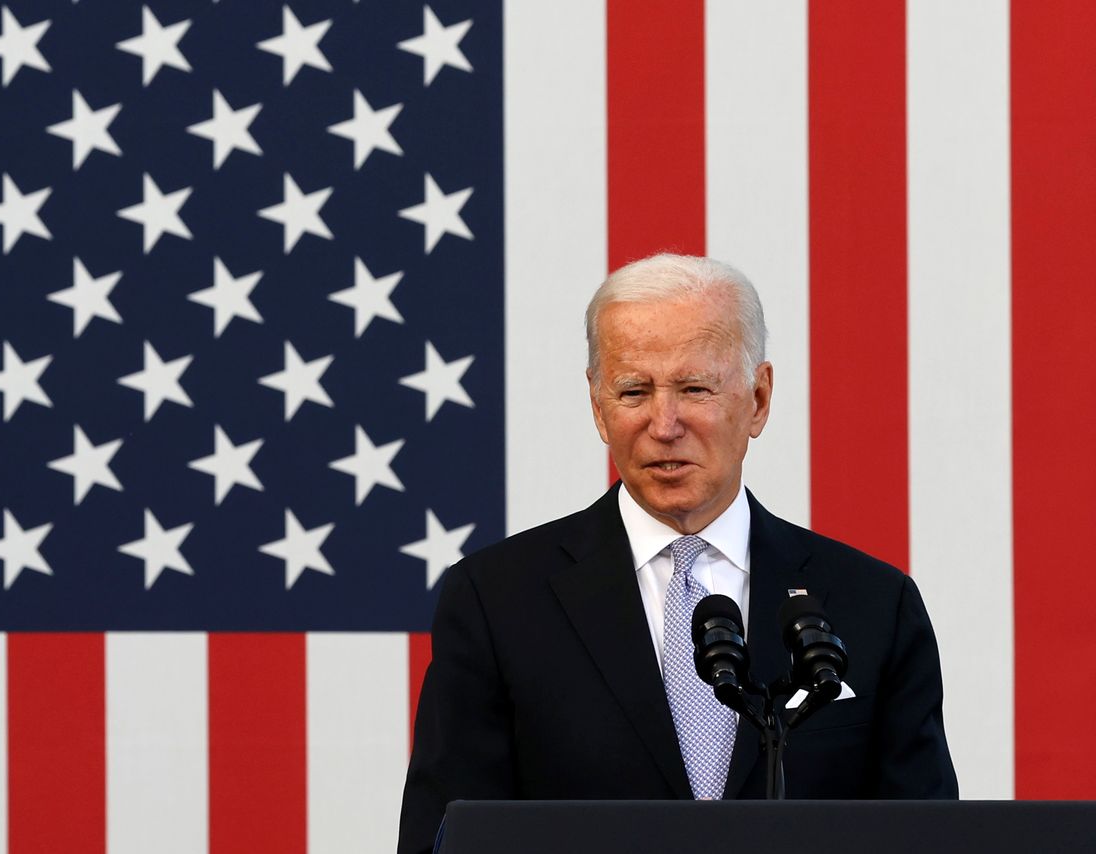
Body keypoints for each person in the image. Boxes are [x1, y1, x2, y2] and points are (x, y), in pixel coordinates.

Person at [397, 253, 958, 854]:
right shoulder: (496, 601)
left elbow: (925, 839)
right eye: (634, 391)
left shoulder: (874, 604)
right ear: (598, 407)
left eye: (694, 389)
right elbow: (444, 840)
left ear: (759, 399)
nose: (664, 425)